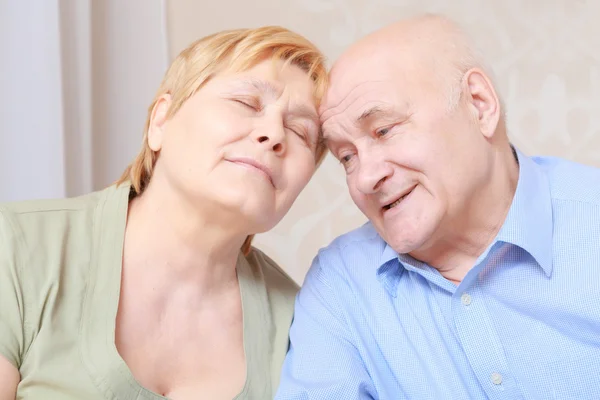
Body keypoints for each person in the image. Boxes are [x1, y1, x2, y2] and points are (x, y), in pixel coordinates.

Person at [276, 13, 600, 400]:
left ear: (479, 105)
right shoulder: (341, 283)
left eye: (383, 130)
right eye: (346, 157)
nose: (364, 178)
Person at [0, 25, 328, 400]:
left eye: (300, 132)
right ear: (161, 121)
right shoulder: (16, 246)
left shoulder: (304, 322)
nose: (274, 134)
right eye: (247, 103)